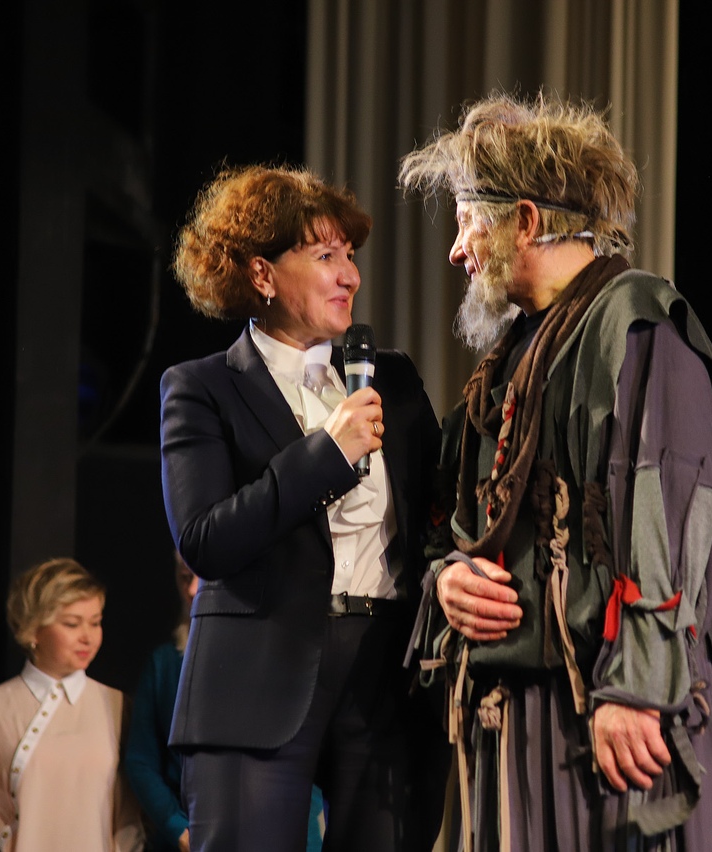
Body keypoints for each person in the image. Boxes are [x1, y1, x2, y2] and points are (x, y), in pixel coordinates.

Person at [398, 92, 712, 850]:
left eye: (468, 223)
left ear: (525, 221)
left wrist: (635, 690)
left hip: (614, 712)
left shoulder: (638, 327)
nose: (457, 251)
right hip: (529, 711)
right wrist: (448, 581)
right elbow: (454, 526)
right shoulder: (511, 361)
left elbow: (669, 521)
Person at [160, 164, 442, 852]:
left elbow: (441, 520)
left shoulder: (394, 378)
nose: (350, 275)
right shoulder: (201, 388)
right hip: (255, 681)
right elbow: (205, 540)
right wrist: (327, 455)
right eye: (325, 256)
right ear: (262, 274)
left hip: (387, 682)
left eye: (350, 255)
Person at [0, 558, 145, 851]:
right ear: (33, 630)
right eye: (72, 624)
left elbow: (130, 821)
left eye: (95, 622)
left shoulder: (116, 706)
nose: (87, 637)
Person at [123, 555, 331, 852]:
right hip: (193, 837)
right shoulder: (165, 664)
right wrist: (176, 826)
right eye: (185, 577)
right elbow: (141, 760)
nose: (192, 590)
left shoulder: (285, 660)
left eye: (203, 578)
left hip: (280, 831)